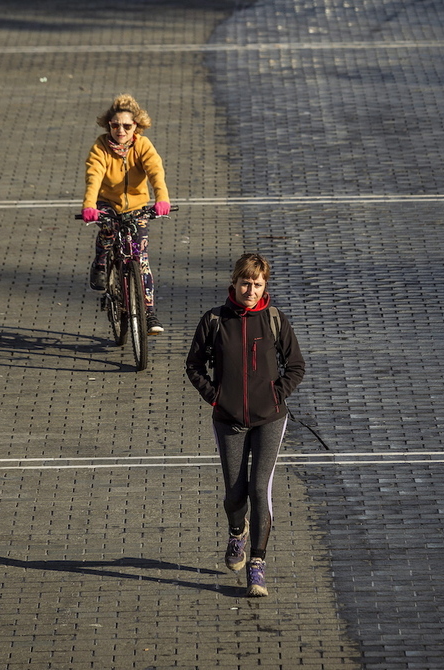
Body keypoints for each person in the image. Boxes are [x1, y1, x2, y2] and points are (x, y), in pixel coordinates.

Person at [186, 253, 305, 597]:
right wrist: (216, 397)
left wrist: (274, 395)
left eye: (257, 284)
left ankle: (257, 564)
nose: (250, 290)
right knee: (235, 494)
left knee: (259, 490)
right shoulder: (214, 320)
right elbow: (193, 366)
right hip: (228, 420)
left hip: (270, 419)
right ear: (234, 283)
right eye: (245, 283)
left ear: (264, 286)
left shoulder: (274, 320)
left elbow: (296, 366)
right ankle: (237, 532)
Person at [81, 93, 170, 335]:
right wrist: (90, 205)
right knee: (108, 231)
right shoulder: (100, 147)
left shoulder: (143, 145)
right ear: (108, 124)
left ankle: (148, 313)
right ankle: (100, 263)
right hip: (107, 203)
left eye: (127, 125)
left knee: (141, 259)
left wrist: (162, 199)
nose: (120, 130)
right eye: (115, 125)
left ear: (136, 126)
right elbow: (94, 176)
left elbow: (155, 172)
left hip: (137, 207)